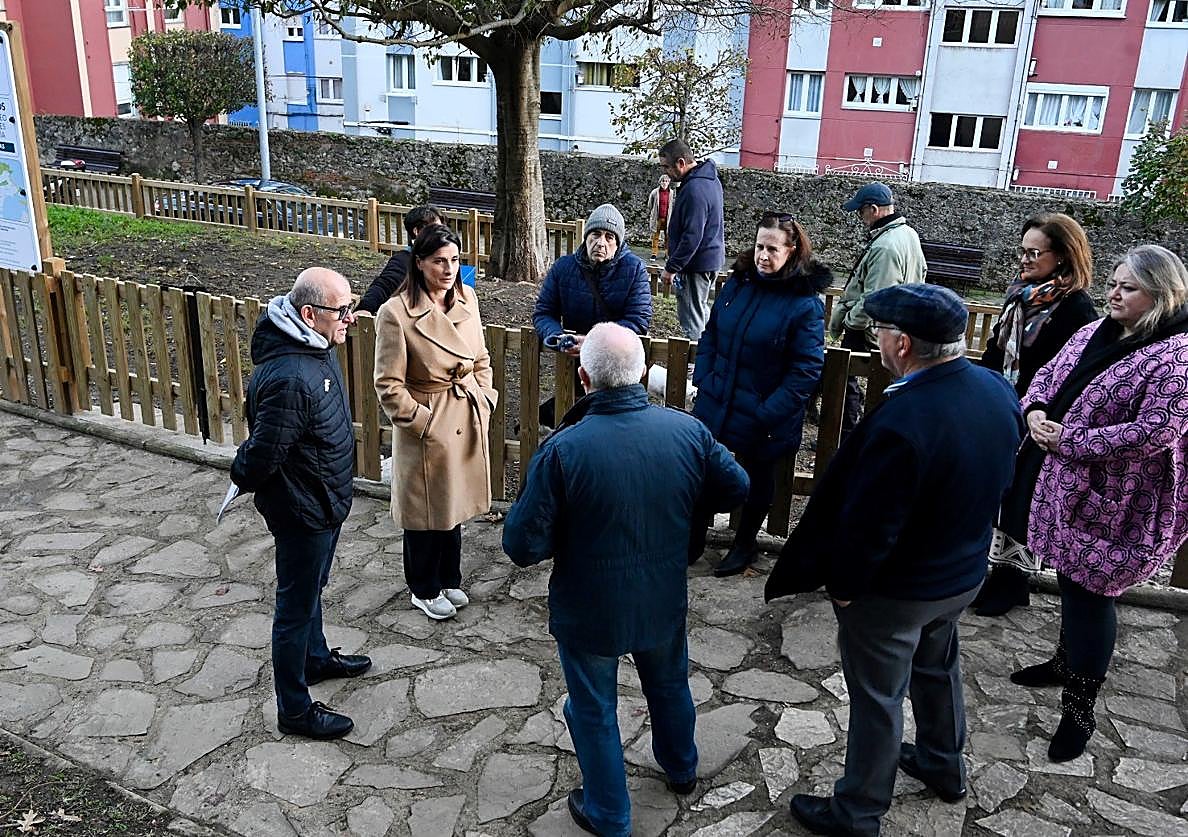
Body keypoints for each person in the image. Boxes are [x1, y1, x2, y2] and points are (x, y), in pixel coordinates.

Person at [766, 283, 1023, 837]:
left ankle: (858, 811)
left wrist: (845, 586)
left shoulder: (903, 421)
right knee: (937, 666)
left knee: (878, 697)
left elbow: (871, 525)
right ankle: (943, 763)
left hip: (900, 591)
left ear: (902, 343)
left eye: (881, 331)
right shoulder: (995, 389)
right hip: (962, 573)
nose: (877, 338)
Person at [503, 323, 749, 837]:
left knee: (593, 707)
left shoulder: (564, 450)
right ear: (641, 372)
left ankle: (610, 814)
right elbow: (736, 487)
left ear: (583, 376)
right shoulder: (687, 432)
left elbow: (522, 545)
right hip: (662, 595)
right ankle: (681, 767)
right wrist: (683, 509)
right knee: (669, 683)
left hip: (590, 604)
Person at [1005, 244, 1188, 762]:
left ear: (1161, 295)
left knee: (1091, 594)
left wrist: (1070, 441)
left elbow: (1155, 431)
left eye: (1128, 287)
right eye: (1113, 281)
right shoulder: (1095, 331)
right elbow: (1047, 374)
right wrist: (1036, 410)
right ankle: (1066, 661)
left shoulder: (1177, 355)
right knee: (1069, 578)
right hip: (1065, 485)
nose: (1112, 292)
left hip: (1121, 502)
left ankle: (1079, 708)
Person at [231, 267, 372, 740]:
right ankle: (294, 708)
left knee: (314, 588)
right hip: (302, 508)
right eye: (342, 309)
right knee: (294, 608)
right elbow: (263, 453)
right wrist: (239, 473)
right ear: (310, 314)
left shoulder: (317, 346)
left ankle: (314, 658)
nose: (350, 317)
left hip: (324, 499)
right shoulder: (291, 374)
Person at [971, 212, 1099, 617]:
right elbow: (997, 351)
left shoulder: (1076, 309)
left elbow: (1069, 370)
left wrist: (1038, 410)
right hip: (1004, 406)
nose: (1024, 260)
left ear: (1061, 256)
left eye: (1034, 253)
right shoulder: (1020, 295)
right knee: (998, 491)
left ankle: (1012, 581)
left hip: (1040, 416)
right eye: (1022, 251)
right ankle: (995, 573)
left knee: (1024, 496)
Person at [688, 212, 829, 577]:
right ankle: (693, 536)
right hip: (718, 401)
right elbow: (712, 333)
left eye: (772, 249)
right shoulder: (739, 284)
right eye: (759, 246)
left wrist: (768, 412)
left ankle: (744, 544)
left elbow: (806, 370)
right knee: (706, 470)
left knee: (757, 479)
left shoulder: (805, 304)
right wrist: (705, 377)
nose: (763, 256)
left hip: (763, 413)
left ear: (793, 250)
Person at [374, 224, 499, 621]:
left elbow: (481, 358)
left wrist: (485, 397)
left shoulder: (468, 299)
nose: (449, 270)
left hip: (465, 410)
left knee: (453, 504)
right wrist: (422, 421)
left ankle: (449, 579)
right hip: (428, 421)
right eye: (439, 261)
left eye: (455, 261)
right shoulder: (396, 313)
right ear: (420, 262)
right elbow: (388, 384)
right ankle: (423, 588)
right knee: (424, 511)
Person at [533, 203, 651, 427]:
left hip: (616, 362)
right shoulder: (563, 267)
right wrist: (557, 338)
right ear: (586, 236)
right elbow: (544, 312)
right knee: (573, 414)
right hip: (573, 361)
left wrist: (594, 343)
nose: (601, 243)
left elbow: (638, 319)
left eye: (609, 237)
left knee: (610, 418)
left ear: (618, 243)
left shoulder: (634, 269)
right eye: (595, 234)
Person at [829, 182, 927, 437]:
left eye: (861, 212)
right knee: (890, 379)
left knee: (846, 377)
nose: (861, 219)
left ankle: (848, 431)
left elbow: (875, 298)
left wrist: (851, 320)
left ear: (873, 209)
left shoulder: (885, 246)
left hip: (875, 327)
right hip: (900, 324)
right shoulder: (909, 234)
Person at [658, 139, 725, 340]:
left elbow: (692, 236)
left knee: (691, 318)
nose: (665, 172)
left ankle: (695, 365)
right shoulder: (709, 180)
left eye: (666, 167)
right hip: (709, 260)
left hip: (695, 265)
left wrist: (672, 267)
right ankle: (707, 357)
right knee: (701, 311)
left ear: (681, 162)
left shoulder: (694, 190)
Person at [356, 205, 444, 315]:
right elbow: (384, 285)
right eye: (435, 229)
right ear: (417, 231)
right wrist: (365, 308)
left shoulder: (446, 258)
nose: (440, 234)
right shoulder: (404, 260)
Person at [647, 174, 673, 260]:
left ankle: (667, 254)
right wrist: (652, 214)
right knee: (655, 236)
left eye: (666, 181)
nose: (664, 183)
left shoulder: (671, 193)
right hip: (657, 218)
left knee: (668, 237)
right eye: (663, 181)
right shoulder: (655, 192)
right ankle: (654, 254)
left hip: (668, 219)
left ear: (669, 182)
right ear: (660, 182)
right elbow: (650, 204)